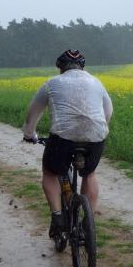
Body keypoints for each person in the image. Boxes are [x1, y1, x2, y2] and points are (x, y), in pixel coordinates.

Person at [23, 50, 113, 240]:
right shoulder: (96, 82)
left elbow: (33, 113)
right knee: (89, 174)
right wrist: (96, 131)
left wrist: (30, 135)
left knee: (50, 173)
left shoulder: (52, 83)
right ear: (82, 67)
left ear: (61, 68)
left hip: (63, 138)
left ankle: (57, 218)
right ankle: (87, 224)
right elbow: (108, 111)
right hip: (95, 136)